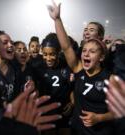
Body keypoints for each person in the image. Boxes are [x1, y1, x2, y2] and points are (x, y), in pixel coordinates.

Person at [47, 1, 114, 135]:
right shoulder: (78, 69)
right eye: (84, 51)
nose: (86, 54)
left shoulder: (110, 78)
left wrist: (100, 117)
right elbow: (66, 47)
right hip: (76, 130)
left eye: (92, 51)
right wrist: (57, 19)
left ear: (101, 57)